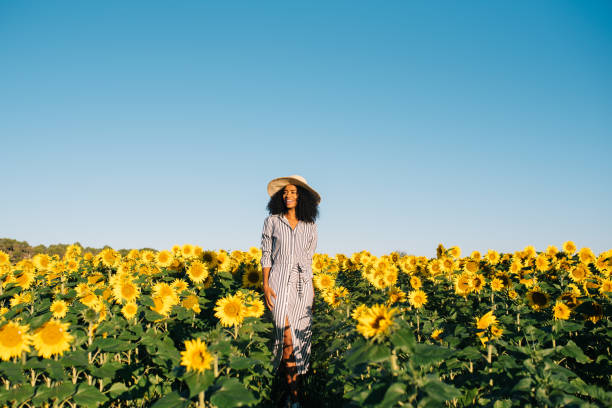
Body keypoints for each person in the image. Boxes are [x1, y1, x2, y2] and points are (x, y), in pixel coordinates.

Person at [260, 175, 320, 408]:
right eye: (285, 192)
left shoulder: (310, 227)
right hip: (277, 283)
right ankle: (294, 396)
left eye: (293, 192)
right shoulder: (272, 222)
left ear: (301, 196)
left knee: (299, 342)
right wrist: (265, 285)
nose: (288, 196)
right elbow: (266, 254)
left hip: (302, 288)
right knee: (285, 338)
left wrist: (312, 292)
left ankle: (292, 394)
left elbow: (309, 261)